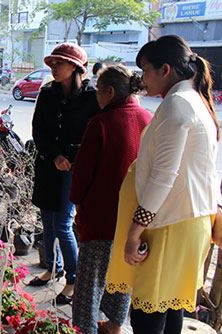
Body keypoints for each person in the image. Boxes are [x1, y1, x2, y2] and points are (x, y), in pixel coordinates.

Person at [105, 35, 220, 334]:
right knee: (169, 310)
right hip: (185, 221)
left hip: (170, 223)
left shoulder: (177, 105)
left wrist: (135, 231)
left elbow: (163, 176)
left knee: (149, 315)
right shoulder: (196, 101)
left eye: (145, 70)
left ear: (165, 69)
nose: (143, 79)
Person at [70, 65, 152, 334]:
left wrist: (77, 202)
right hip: (134, 221)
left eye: (98, 91)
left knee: (89, 283)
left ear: (110, 91)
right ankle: (115, 326)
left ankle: (86, 328)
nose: (96, 97)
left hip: (101, 217)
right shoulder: (148, 119)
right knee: (122, 276)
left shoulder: (101, 123)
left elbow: (82, 174)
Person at [28, 43, 101, 305]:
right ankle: (51, 268)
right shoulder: (47, 93)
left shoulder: (92, 97)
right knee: (46, 218)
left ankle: (73, 279)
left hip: (75, 167)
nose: (53, 68)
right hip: (49, 162)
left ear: (75, 66)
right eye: (52, 64)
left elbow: (95, 136)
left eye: (59, 63)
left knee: (63, 223)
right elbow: (38, 130)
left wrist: (71, 158)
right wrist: (55, 154)